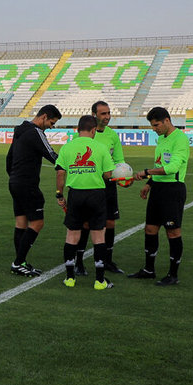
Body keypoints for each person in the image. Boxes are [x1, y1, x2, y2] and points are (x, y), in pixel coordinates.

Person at [129, 107, 191, 287]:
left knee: (172, 231)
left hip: (173, 190)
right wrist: (149, 184)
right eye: (152, 126)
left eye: (156, 125)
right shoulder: (161, 139)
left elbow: (172, 168)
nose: (153, 129)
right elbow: (160, 165)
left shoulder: (180, 139)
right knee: (150, 229)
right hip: (158, 190)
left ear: (166, 121)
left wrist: (146, 173)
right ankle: (149, 269)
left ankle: (173, 274)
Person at [56, 115, 116, 290]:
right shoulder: (101, 147)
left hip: (75, 195)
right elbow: (108, 175)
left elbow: (60, 173)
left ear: (77, 129)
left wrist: (60, 195)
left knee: (72, 235)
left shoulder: (67, 147)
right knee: (98, 236)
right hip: (96, 194)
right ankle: (100, 281)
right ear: (93, 130)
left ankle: (69, 278)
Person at [6, 104, 62, 276]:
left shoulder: (20, 131)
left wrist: (14, 176)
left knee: (21, 222)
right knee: (37, 223)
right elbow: (52, 155)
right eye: (52, 123)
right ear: (44, 117)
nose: (52, 127)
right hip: (27, 184)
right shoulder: (36, 132)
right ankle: (17, 262)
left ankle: (20, 262)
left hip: (15, 182)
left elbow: (9, 158)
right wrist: (72, 165)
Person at [74, 101, 127, 276]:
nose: (107, 117)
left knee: (110, 222)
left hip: (109, 184)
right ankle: (79, 262)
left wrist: (123, 177)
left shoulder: (112, 135)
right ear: (94, 114)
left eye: (108, 113)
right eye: (103, 114)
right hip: (90, 184)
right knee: (87, 224)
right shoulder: (86, 134)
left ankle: (107, 261)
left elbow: (119, 160)